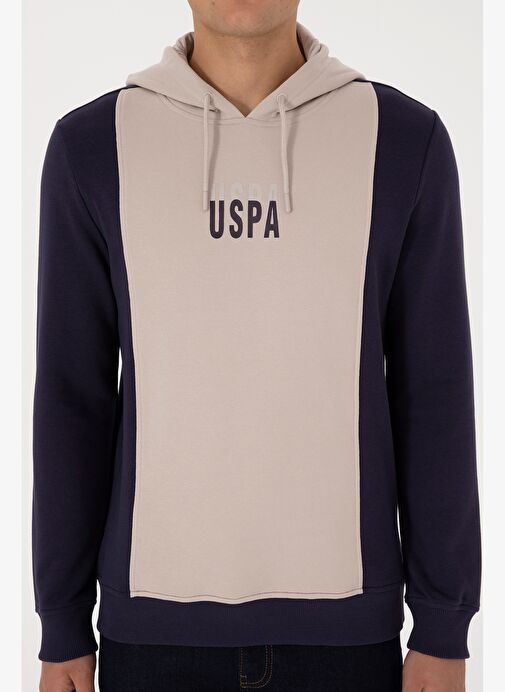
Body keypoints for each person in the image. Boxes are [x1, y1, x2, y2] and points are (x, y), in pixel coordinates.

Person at [33, 1, 481, 690]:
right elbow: (72, 398)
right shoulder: (91, 147)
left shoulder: (400, 140)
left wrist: (443, 626)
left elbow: (434, 391)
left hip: (349, 641)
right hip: (151, 641)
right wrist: (62, 621)